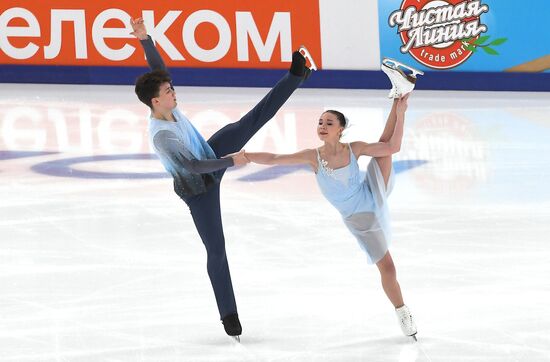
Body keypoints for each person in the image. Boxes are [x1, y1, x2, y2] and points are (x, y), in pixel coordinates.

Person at [130, 17, 314, 340]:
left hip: (210, 154)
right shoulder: (162, 136)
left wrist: (145, 39)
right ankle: (229, 315)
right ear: (155, 102)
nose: (174, 92)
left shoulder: (164, 103)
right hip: (198, 189)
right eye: (168, 91)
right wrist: (231, 161)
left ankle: (296, 75)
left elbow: (159, 71)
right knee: (216, 249)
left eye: (171, 88)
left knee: (250, 122)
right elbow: (197, 167)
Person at [244, 70, 419, 338]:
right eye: (320, 122)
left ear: (340, 129)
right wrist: (245, 155)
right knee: (387, 266)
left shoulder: (355, 148)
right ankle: (402, 309)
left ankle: (400, 95)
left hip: (370, 190)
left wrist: (403, 112)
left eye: (329, 122)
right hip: (360, 217)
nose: (322, 126)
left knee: (383, 147)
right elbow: (275, 157)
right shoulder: (312, 157)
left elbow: (393, 147)